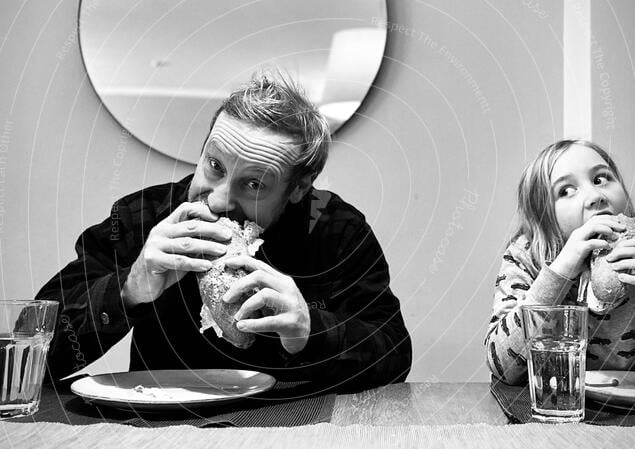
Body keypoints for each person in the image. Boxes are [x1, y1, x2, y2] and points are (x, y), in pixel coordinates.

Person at [38, 74, 411, 393]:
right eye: (215, 165)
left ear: (299, 188)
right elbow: (35, 351)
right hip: (161, 431)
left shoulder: (336, 230)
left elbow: (394, 355)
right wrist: (127, 290)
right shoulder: (141, 218)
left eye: (253, 184)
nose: (217, 200)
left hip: (298, 431)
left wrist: (311, 331)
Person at [486, 139, 635, 384]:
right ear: (545, 216)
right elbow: (502, 365)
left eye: (601, 179)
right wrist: (559, 272)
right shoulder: (527, 254)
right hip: (553, 407)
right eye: (566, 191)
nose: (595, 196)